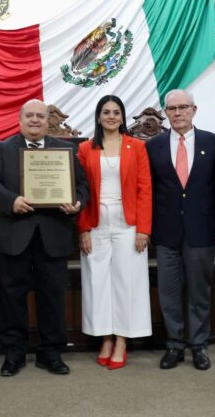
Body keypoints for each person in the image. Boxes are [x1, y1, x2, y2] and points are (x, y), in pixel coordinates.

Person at [0, 99, 89, 377]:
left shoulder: (65, 150)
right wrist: (11, 200)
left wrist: (76, 203)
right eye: (29, 116)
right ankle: (13, 354)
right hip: (14, 235)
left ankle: (51, 353)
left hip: (53, 235)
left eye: (40, 116)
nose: (34, 120)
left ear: (47, 120)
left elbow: (81, 185)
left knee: (53, 297)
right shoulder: (4, 149)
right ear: (20, 119)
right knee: (11, 297)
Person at [145, 89, 215, 370]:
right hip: (166, 231)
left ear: (194, 109)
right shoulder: (152, 146)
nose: (177, 113)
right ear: (165, 113)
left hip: (201, 229)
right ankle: (175, 345)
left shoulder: (214, 143)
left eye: (183, 108)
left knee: (199, 292)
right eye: (172, 109)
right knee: (169, 292)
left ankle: (199, 346)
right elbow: (148, 190)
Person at [76, 95, 152, 370]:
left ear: (122, 117)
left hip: (128, 225)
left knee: (126, 283)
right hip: (96, 225)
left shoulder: (137, 147)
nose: (111, 116)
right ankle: (105, 338)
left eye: (116, 112)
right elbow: (81, 191)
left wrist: (143, 229)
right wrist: (83, 228)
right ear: (98, 117)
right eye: (106, 112)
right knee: (98, 283)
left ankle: (121, 340)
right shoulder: (86, 148)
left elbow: (145, 189)